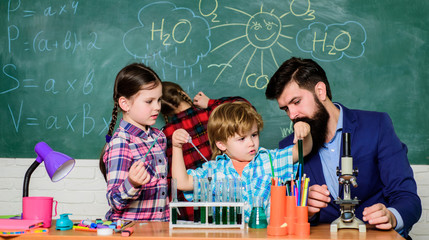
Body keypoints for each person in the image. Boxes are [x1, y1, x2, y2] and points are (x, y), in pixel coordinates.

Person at [265, 57, 421, 238]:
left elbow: (408, 199)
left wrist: (392, 216)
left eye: (296, 102)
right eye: (285, 109)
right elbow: (282, 216)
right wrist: (304, 210)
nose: (292, 115)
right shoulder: (289, 148)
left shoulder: (377, 126)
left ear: (320, 91)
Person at [171, 101, 313, 223]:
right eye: (241, 139)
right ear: (221, 145)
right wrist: (177, 147)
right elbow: (182, 182)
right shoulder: (214, 171)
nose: (251, 143)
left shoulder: (269, 160)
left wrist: (304, 130)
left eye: (254, 135)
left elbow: (302, 150)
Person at [160, 81, 249, 220]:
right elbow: (244, 106)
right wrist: (210, 102)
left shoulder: (166, 133)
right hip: (224, 199)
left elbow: (170, 177)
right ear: (182, 94)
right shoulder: (212, 115)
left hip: (191, 207)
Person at [99, 63, 169, 221]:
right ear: (125, 104)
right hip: (131, 231)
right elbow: (114, 201)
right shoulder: (121, 143)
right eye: (149, 101)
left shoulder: (159, 138)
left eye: (159, 100)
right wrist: (132, 183)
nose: (157, 107)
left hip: (159, 229)